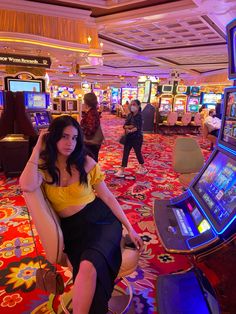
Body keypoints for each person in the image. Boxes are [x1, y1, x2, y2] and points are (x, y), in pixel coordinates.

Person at [19, 115, 143, 314]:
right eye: (64, 137)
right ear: (53, 138)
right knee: (86, 267)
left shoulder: (85, 162)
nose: (70, 143)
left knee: (88, 266)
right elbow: (25, 185)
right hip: (73, 228)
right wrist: (37, 147)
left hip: (101, 222)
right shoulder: (44, 166)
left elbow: (109, 198)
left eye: (75, 138)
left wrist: (130, 228)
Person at [115, 99, 147, 177]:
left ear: (138, 106)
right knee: (125, 153)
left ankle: (143, 167)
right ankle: (122, 169)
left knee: (137, 152)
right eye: (131, 104)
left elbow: (137, 127)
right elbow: (125, 125)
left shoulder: (140, 116)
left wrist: (131, 128)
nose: (132, 106)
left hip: (137, 137)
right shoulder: (130, 115)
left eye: (134, 104)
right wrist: (130, 127)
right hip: (129, 137)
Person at [80, 92, 103, 162]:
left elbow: (90, 130)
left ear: (87, 102)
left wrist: (81, 130)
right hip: (92, 142)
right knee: (91, 160)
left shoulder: (92, 113)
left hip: (91, 142)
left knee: (91, 161)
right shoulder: (92, 111)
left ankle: (93, 173)